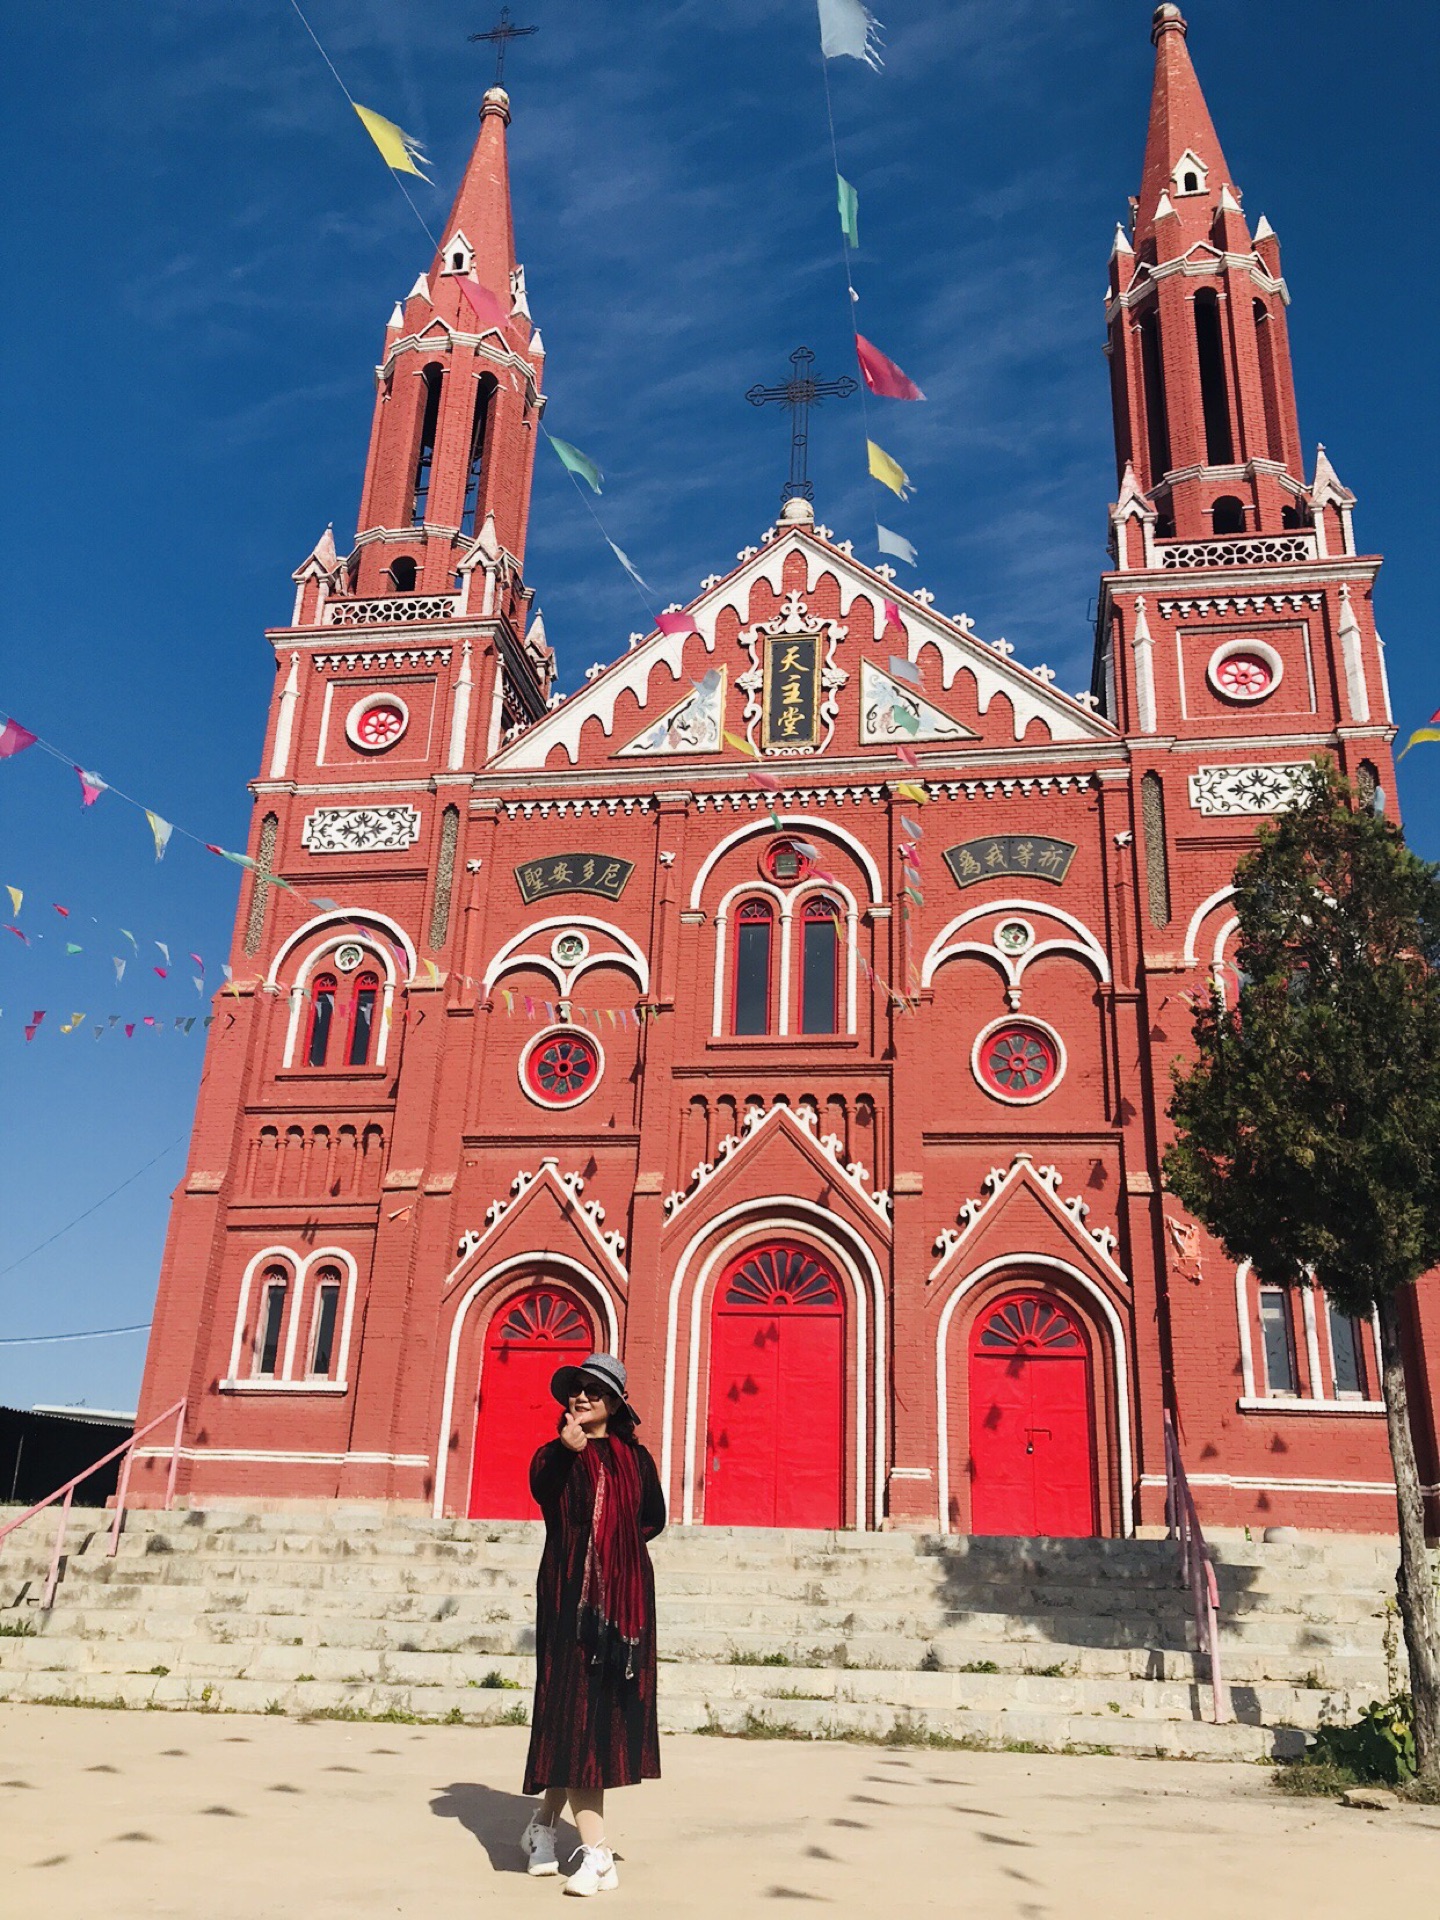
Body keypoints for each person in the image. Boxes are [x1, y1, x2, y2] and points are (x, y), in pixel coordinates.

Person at [518, 1351, 665, 1896]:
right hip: (566, 1603)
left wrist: (614, 1564)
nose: (580, 1398)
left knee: (581, 1722)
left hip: (623, 1611)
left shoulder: (637, 1458)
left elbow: (653, 1518)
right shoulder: (553, 1456)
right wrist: (565, 1452)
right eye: (576, 1390)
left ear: (615, 1406)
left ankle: (541, 1829)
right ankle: (598, 1855)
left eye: (594, 1392)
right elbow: (541, 1490)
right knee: (575, 1715)